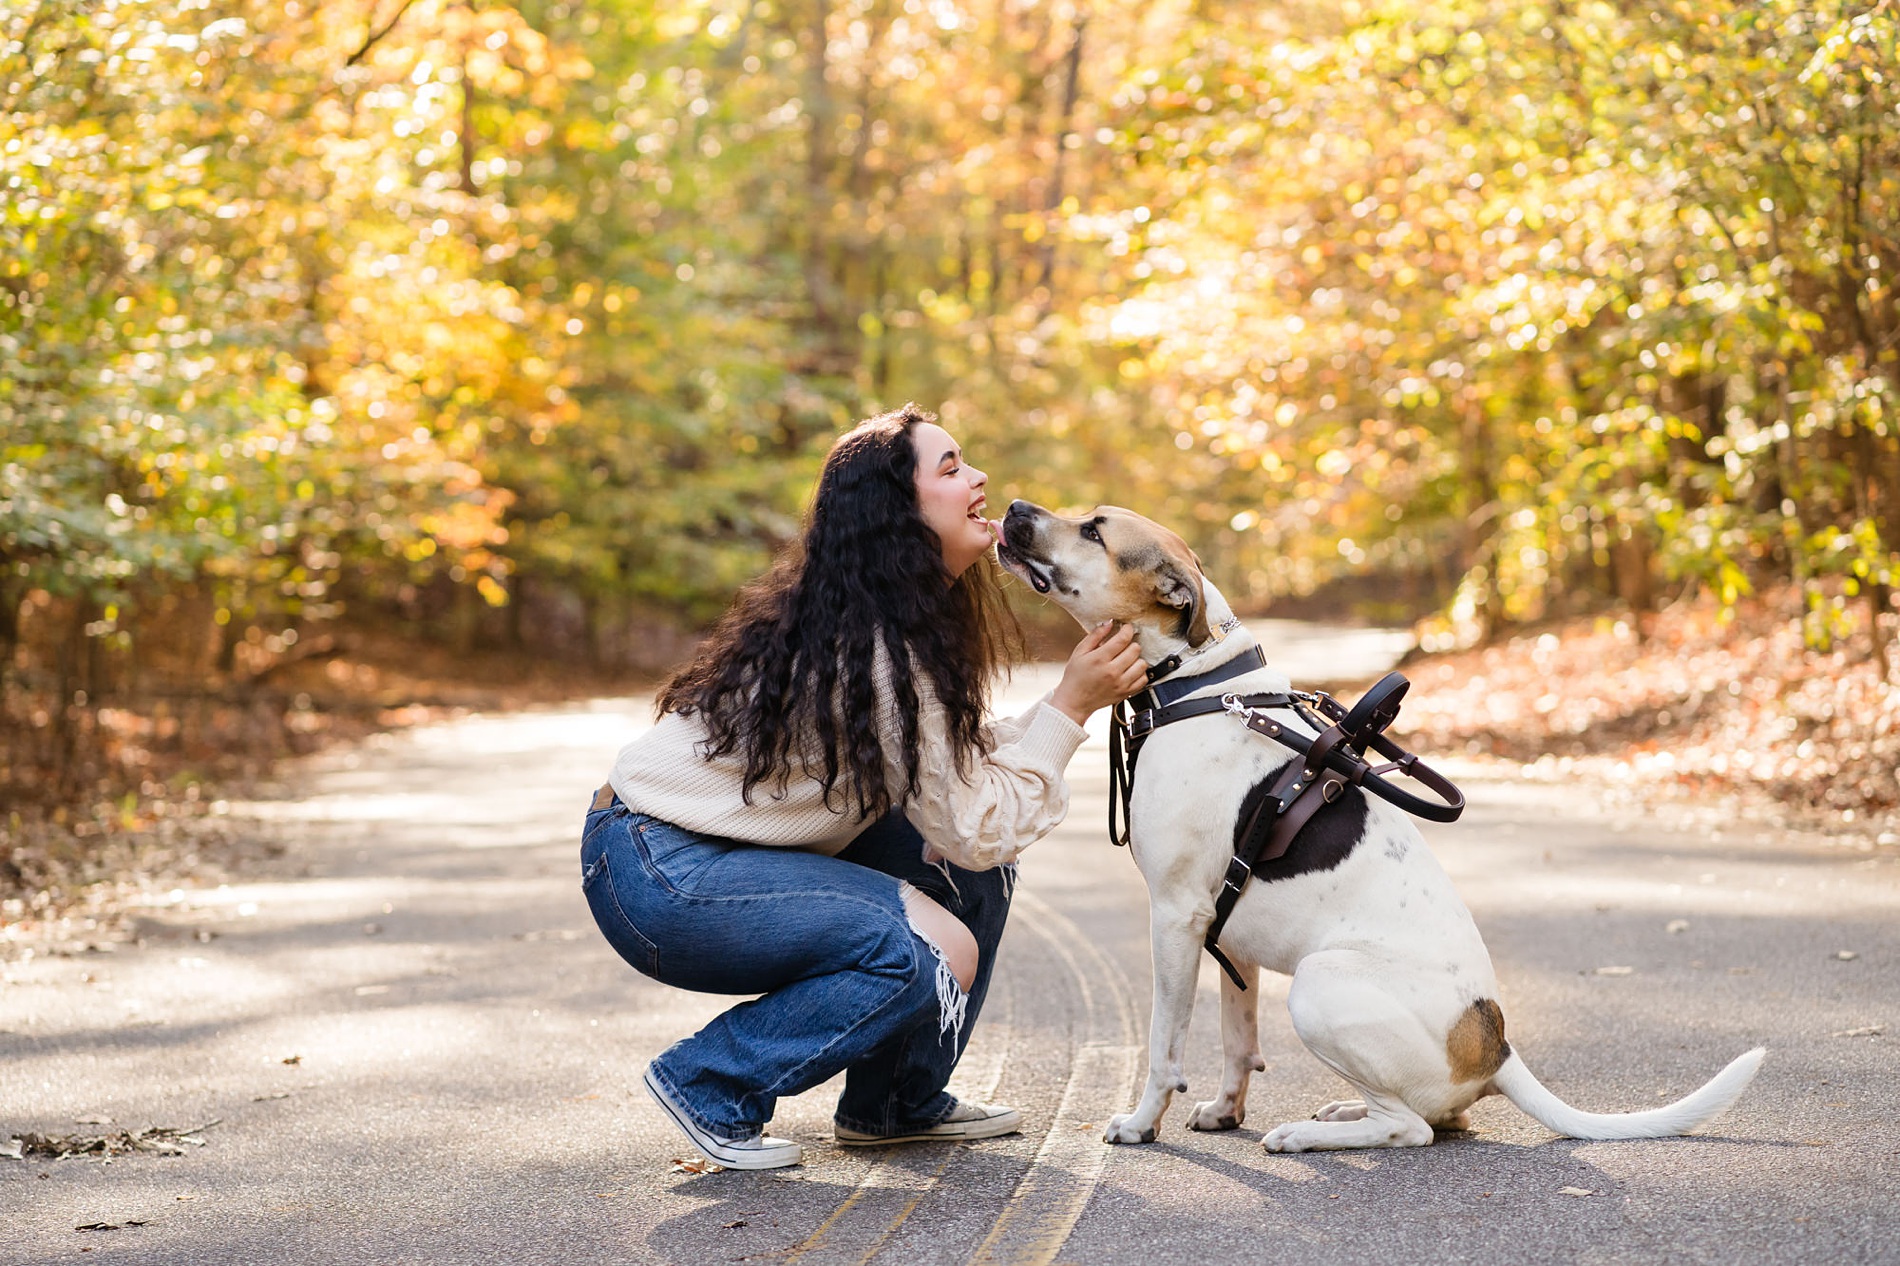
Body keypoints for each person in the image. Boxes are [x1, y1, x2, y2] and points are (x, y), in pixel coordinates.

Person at [579, 403, 1146, 1169]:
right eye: (949, 468)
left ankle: (894, 1105)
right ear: (897, 513)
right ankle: (708, 1081)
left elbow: (959, 786)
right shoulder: (875, 647)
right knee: (917, 948)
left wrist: (1058, 710)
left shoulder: (899, 621)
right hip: (660, 871)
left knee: (965, 872)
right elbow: (978, 820)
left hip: (712, 853)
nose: (977, 477)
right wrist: (1071, 708)